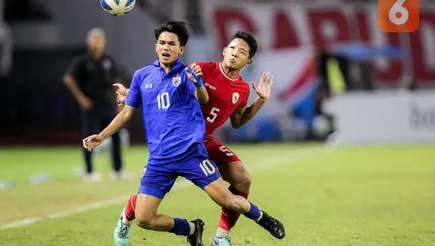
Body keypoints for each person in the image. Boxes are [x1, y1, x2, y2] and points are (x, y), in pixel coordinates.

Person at [82, 21, 285, 246]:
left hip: (196, 144)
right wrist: (131, 94)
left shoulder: (241, 88)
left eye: (242, 52)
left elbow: (236, 121)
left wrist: (261, 100)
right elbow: (166, 89)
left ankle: (222, 237)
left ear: (248, 61)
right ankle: (145, 218)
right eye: (233, 48)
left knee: (242, 180)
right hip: (170, 148)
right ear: (224, 50)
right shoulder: (199, 68)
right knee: (144, 215)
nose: (235, 53)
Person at [63, 27, 125, 182]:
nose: (97, 43)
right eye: (94, 39)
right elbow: (68, 79)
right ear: (89, 42)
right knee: (89, 137)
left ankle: (117, 170)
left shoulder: (108, 60)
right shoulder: (82, 61)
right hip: (91, 108)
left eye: (100, 40)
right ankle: (89, 171)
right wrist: (81, 98)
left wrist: (120, 100)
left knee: (116, 136)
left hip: (108, 105)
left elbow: (116, 80)